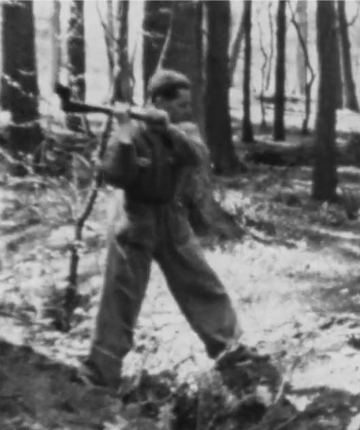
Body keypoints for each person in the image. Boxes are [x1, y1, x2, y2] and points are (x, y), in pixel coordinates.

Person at [74, 69, 244, 392]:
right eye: (179, 105)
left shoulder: (185, 131)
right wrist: (123, 133)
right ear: (157, 102)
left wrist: (169, 129)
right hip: (135, 220)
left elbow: (197, 156)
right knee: (120, 296)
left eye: (187, 103)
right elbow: (115, 176)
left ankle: (231, 351)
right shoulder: (133, 132)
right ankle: (102, 371)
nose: (186, 110)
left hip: (173, 220)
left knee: (202, 283)